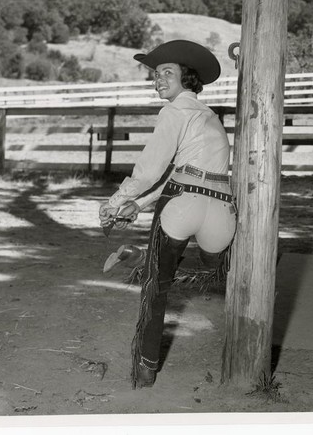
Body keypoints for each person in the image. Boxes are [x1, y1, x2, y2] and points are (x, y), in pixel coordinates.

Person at [99, 39, 237, 389]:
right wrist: (140, 205)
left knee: (156, 287)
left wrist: (116, 201)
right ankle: (145, 258)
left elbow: (151, 169)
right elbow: (191, 173)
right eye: (156, 74)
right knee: (216, 271)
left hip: (181, 206)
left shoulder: (173, 112)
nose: (158, 79)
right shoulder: (209, 117)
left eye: (167, 73)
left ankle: (145, 370)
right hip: (221, 210)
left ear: (187, 78)